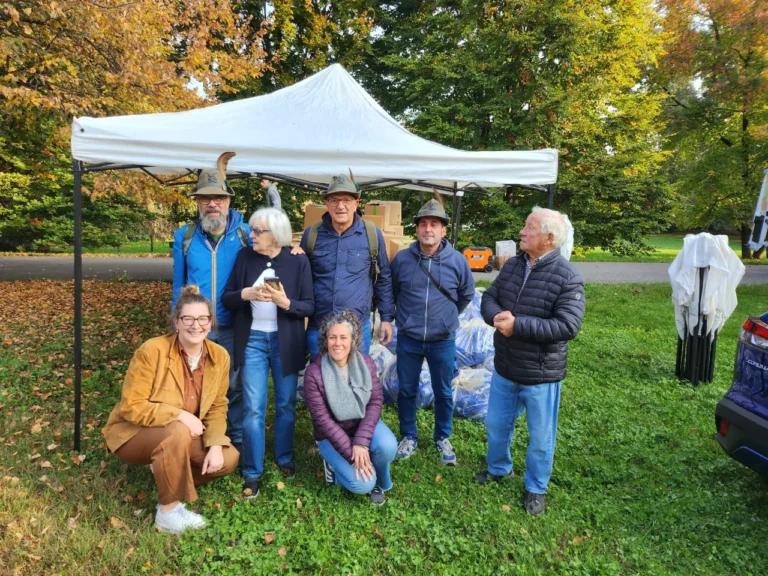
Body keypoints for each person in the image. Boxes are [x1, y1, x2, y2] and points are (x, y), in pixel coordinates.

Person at [475, 207, 585, 516]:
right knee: (496, 424)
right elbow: (489, 297)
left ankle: (536, 488)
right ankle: (498, 469)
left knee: (540, 437)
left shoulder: (567, 278)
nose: (521, 232)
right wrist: (495, 316)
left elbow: (567, 326)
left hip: (540, 374)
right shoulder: (513, 266)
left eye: (529, 228)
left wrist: (517, 325)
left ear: (549, 238)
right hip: (506, 367)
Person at [102, 286, 239, 535]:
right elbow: (132, 406)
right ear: (176, 322)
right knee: (178, 430)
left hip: (181, 436)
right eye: (188, 318)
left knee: (229, 460)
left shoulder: (220, 355)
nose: (195, 325)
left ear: (210, 322)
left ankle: (166, 469)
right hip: (134, 433)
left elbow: (218, 405)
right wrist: (180, 414)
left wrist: (216, 444)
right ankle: (168, 511)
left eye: (203, 318)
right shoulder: (152, 351)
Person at [221, 207, 314, 498]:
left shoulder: (297, 261)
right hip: (253, 341)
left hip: (286, 342)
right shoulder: (245, 257)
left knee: (286, 403)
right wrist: (245, 294)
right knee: (253, 407)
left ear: (276, 234)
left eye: (257, 231)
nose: (252, 235)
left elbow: (309, 305)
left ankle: (284, 457)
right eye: (252, 230)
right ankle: (252, 471)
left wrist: (287, 304)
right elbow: (228, 297)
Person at [172, 152, 251, 455]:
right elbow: (178, 286)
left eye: (218, 197)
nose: (212, 203)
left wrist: (293, 250)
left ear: (229, 200)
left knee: (234, 385)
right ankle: (198, 440)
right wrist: (176, 325)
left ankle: (236, 441)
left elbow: (272, 253)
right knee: (194, 385)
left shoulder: (246, 234)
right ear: (197, 203)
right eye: (205, 199)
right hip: (195, 328)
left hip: (234, 325)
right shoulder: (186, 236)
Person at [390, 194, 475, 465]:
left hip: (443, 339)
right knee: (406, 389)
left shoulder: (458, 261)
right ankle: (409, 436)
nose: (428, 229)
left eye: (434, 224)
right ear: (416, 229)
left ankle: (442, 436)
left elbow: (466, 294)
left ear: (443, 229)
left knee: (443, 391)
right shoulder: (402, 260)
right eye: (423, 224)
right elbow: (393, 292)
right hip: (409, 338)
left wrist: (447, 317)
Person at [303, 311, 397, 505]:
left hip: (361, 425)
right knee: (363, 485)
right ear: (325, 340)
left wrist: (361, 442)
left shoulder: (366, 363)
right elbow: (323, 421)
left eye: (343, 337)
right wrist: (352, 454)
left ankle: (376, 474)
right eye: (332, 337)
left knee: (387, 446)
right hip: (330, 436)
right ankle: (335, 466)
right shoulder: (314, 373)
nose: (338, 343)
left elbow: (374, 402)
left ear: (353, 340)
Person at [299, 173, 395, 357]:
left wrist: (386, 318)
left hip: (357, 328)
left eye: (346, 200)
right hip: (319, 326)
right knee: (320, 380)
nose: (340, 206)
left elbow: (383, 278)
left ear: (356, 203)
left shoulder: (371, 234)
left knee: (356, 382)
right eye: (334, 200)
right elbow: (301, 277)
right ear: (326, 203)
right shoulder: (312, 235)